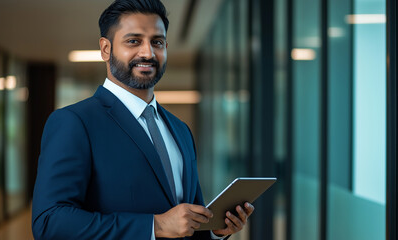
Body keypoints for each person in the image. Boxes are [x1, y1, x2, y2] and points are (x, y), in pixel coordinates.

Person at [31, 0, 254, 239]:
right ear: (106, 49)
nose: (147, 52)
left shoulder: (180, 131)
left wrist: (216, 231)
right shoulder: (74, 122)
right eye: (133, 41)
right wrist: (155, 226)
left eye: (157, 42)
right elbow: (49, 222)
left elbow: (187, 222)